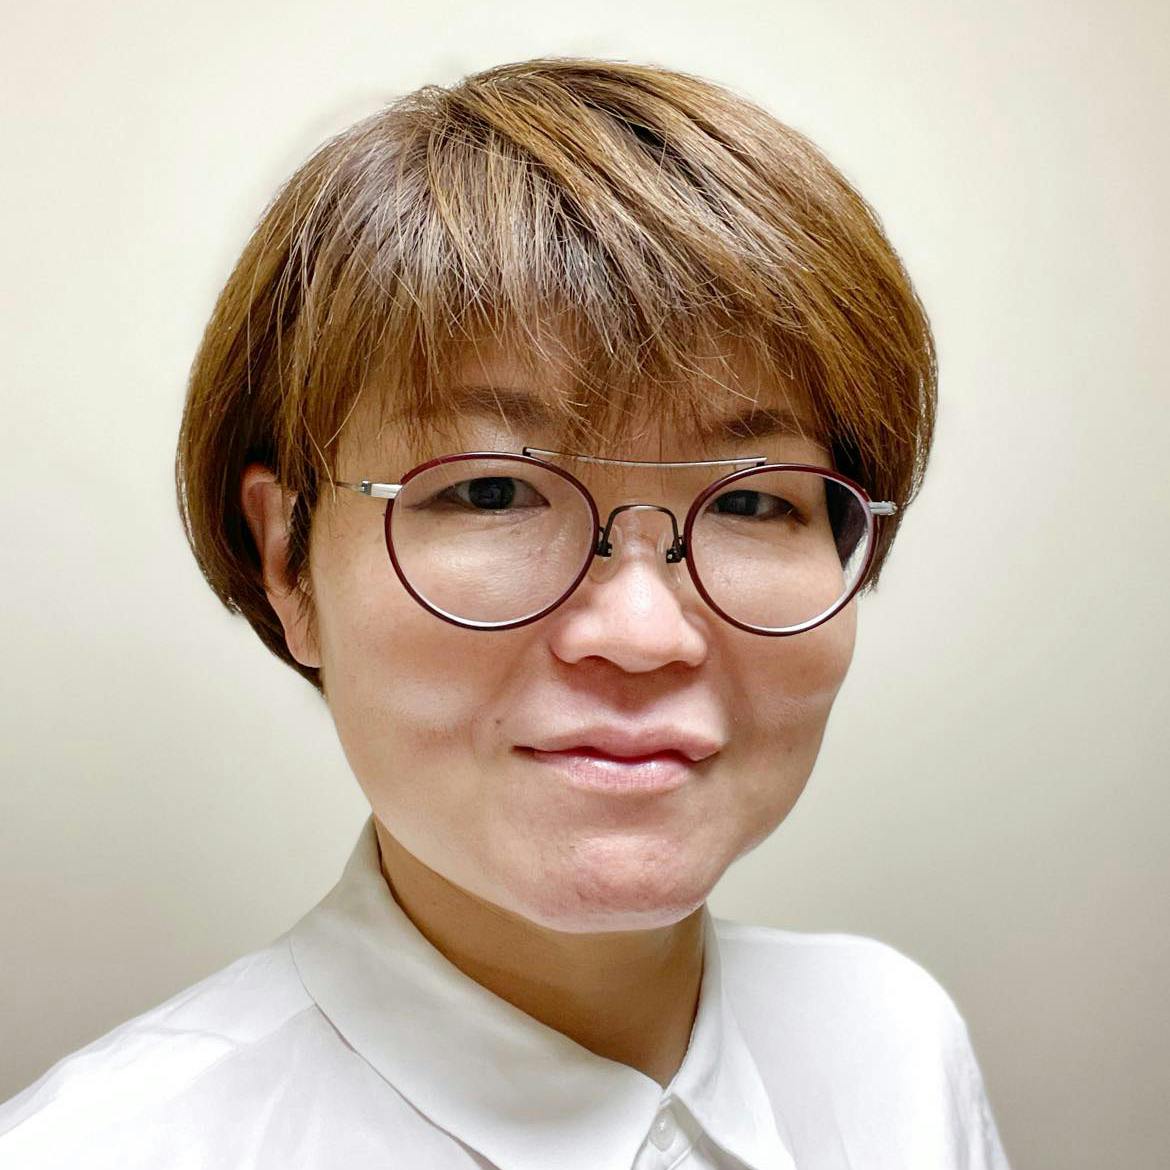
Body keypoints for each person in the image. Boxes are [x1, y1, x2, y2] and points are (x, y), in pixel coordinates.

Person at [0, 57, 1011, 1169]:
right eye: (491, 491)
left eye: (753, 500)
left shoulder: (891, 1044)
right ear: (288, 559)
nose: (641, 634)